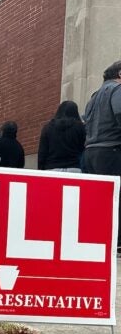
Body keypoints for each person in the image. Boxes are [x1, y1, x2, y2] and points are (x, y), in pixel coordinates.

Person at [84, 60, 121, 255]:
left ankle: (101, 239)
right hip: (112, 151)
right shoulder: (117, 90)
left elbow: (86, 121)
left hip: (91, 151)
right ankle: (118, 241)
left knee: (99, 200)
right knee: (117, 198)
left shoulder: (94, 96)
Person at [38, 100, 85, 172]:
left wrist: (40, 169)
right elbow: (83, 149)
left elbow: (42, 152)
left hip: (51, 168)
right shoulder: (80, 127)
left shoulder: (47, 128)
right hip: (74, 168)